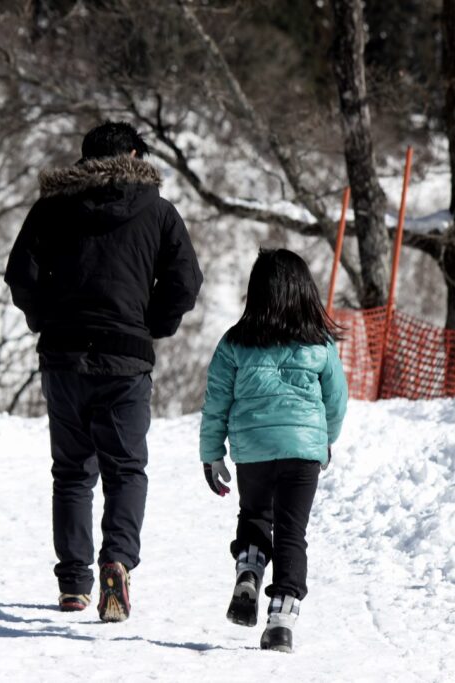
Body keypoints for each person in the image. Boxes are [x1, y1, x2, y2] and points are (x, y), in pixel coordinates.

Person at [5, 121, 203, 622]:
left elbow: (21, 275)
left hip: (64, 358)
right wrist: (150, 325)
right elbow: (185, 282)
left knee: (72, 472)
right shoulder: (158, 212)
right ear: (134, 155)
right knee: (125, 469)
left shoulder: (51, 208)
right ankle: (117, 559)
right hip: (125, 359)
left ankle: (74, 584)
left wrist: (47, 320)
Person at [198, 248, 348, 653]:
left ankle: (249, 570)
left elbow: (216, 403)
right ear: (304, 291)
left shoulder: (235, 342)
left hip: (254, 450)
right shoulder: (320, 344)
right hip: (303, 452)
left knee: (254, 516)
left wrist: (212, 454)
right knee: (291, 532)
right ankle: (281, 622)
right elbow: (336, 401)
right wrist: (325, 441)